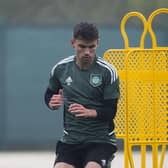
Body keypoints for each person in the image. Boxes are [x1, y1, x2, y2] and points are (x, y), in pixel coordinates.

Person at [44, 22, 120, 168]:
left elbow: (111, 111)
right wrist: (52, 102)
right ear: (73, 43)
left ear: (97, 43)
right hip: (71, 141)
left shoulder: (108, 72)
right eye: (82, 46)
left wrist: (89, 112)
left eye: (91, 47)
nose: (87, 52)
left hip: (101, 141)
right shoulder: (60, 69)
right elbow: (49, 94)